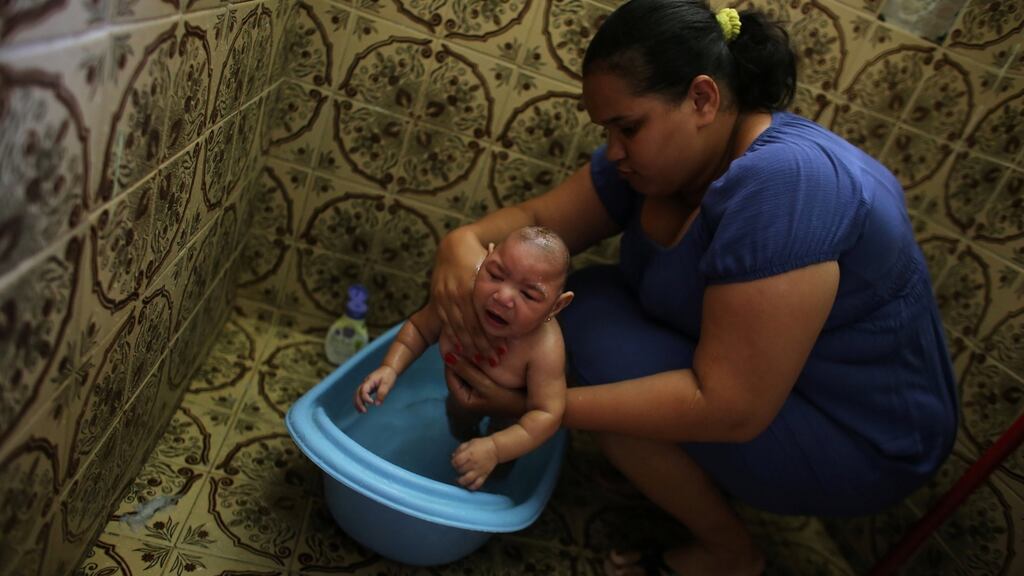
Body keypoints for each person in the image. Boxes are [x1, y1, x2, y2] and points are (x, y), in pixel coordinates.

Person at [428, 0, 959, 574]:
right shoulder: (660, 163)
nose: (614, 150)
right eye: (607, 130)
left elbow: (730, 407)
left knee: (589, 350)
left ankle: (729, 552)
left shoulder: (788, 183)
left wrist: (537, 409)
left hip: (861, 440)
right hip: (770, 392)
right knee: (586, 306)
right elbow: (539, 218)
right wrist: (463, 241)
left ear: (703, 99)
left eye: (628, 127)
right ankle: (665, 469)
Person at [354, 226, 574, 491]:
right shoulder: (463, 300)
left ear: (556, 306)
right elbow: (420, 329)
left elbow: (546, 413)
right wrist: (390, 368)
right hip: (458, 398)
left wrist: (495, 448)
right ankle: (464, 442)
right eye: (495, 274)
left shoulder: (544, 347)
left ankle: (495, 475)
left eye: (528, 295)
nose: (503, 297)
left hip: (509, 419)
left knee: (501, 461)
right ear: (484, 260)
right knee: (458, 427)